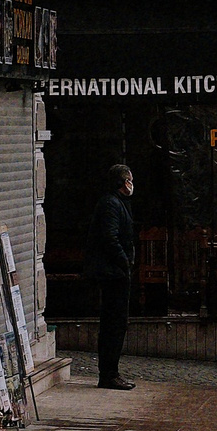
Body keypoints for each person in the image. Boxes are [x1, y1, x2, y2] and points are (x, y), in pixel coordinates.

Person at [88, 163, 138, 389]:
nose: (131, 184)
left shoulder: (117, 203)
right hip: (113, 273)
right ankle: (109, 373)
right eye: (128, 180)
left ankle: (110, 371)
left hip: (116, 271)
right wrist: (124, 262)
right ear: (121, 182)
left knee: (116, 323)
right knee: (114, 323)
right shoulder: (111, 204)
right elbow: (110, 237)